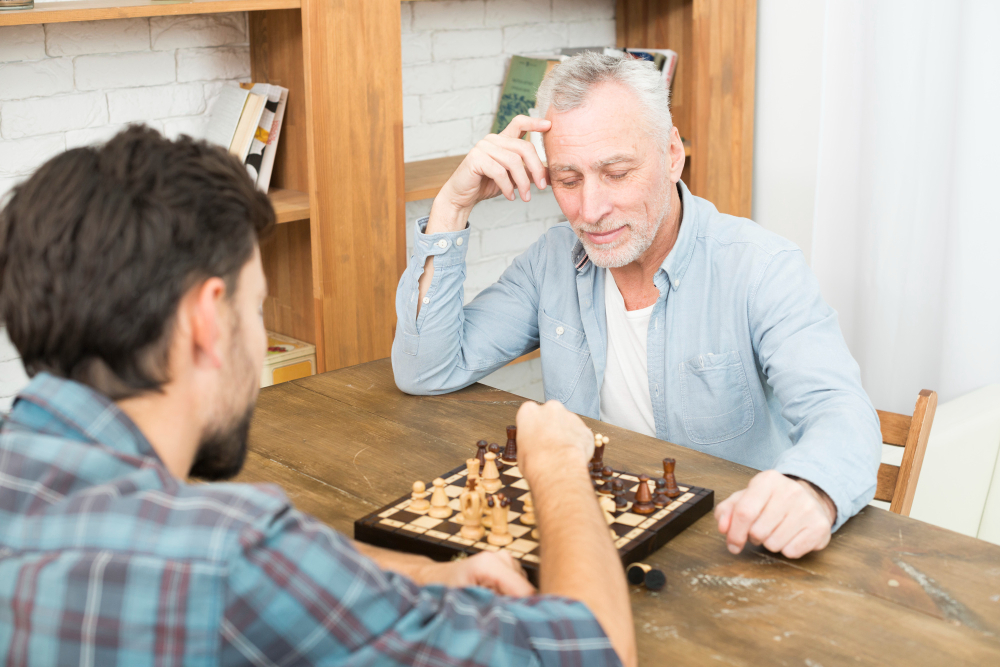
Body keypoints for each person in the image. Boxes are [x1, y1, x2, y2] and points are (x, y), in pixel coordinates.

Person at [0, 127, 635, 666]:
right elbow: (589, 649)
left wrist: (415, 571)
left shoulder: (39, 476)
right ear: (205, 322)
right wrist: (555, 466)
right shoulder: (231, 559)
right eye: (255, 308)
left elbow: (172, 525)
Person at [392, 51, 882, 560]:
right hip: (595, 539)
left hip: (725, 549)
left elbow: (840, 411)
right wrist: (451, 206)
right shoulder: (552, 261)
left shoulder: (761, 268)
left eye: (618, 172)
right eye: (568, 179)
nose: (591, 211)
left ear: (672, 154)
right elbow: (426, 370)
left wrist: (812, 491)